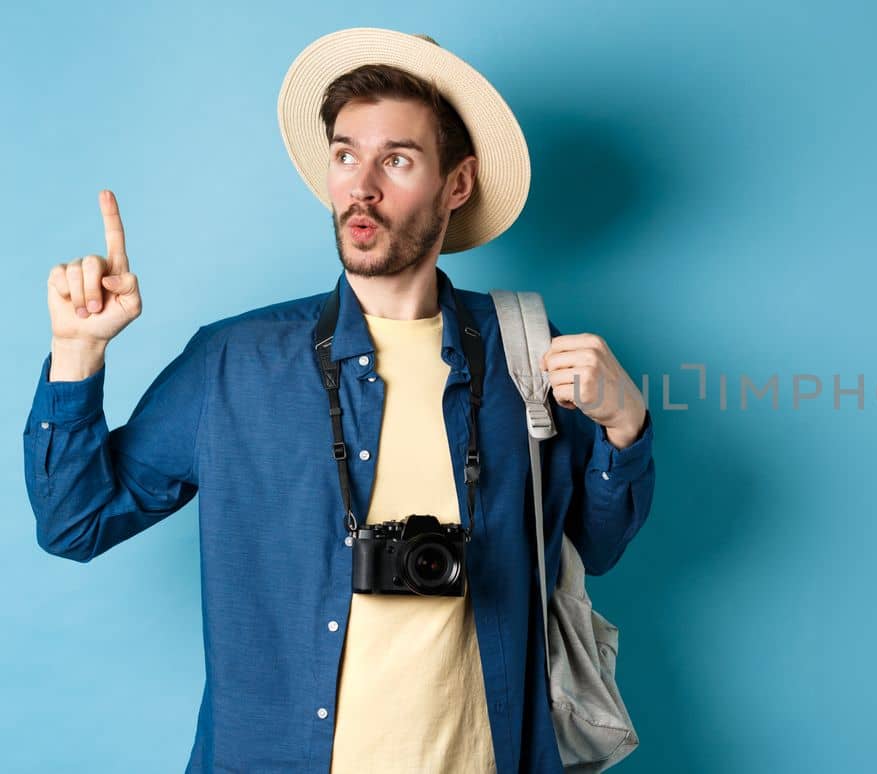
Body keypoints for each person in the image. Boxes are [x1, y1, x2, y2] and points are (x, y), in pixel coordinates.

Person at [22, 28, 655, 774]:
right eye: (347, 154)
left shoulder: (525, 348)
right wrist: (78, 353)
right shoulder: (234, 362)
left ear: (457, 185)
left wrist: (625, 426)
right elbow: (75, 522)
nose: (363, 186)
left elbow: (594, 549)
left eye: (397, 159)